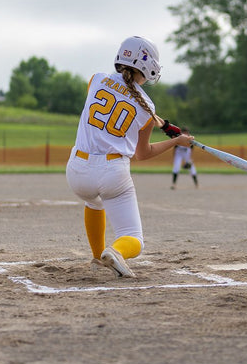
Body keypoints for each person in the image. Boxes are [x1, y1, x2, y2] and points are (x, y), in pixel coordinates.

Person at [66, 36, 194, 278]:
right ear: (147, 68)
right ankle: (115, 250)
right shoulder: (148, 107)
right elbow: (142, 154)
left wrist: (162, 123)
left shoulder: (95, 79)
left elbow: (118, 96)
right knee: (134, 238)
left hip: (76, 171)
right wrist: (177, 141)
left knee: (93, 202)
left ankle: (96, 257)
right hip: (112, 172)